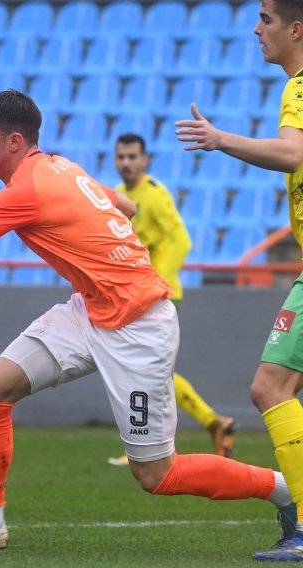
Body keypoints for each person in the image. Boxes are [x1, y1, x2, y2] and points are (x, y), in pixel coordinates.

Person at [0, 89, 297, 554]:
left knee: (157, 475)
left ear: (14, 143)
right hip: (90, 308)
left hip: (137, 328)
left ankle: (285, 490)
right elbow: (124, 206)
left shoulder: (27, 189)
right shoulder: (60, 165)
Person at [175, 0, 303, 560]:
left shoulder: (300, 87)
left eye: (266, 19)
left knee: (269, 387)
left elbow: (294, 152)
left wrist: (222, 139)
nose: (256, 29)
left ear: (296, 29)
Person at [106, 133, 236, 466]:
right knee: (151, 371)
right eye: (121, 157)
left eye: (132, 157)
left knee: (147, 370)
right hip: (134, 294)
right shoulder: (118, 196)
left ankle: (155, 443)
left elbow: (180, 241)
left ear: (145, 160)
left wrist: (156, 282)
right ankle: (212, 422)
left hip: (158, 294)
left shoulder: (155, 195)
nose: (126, 163)